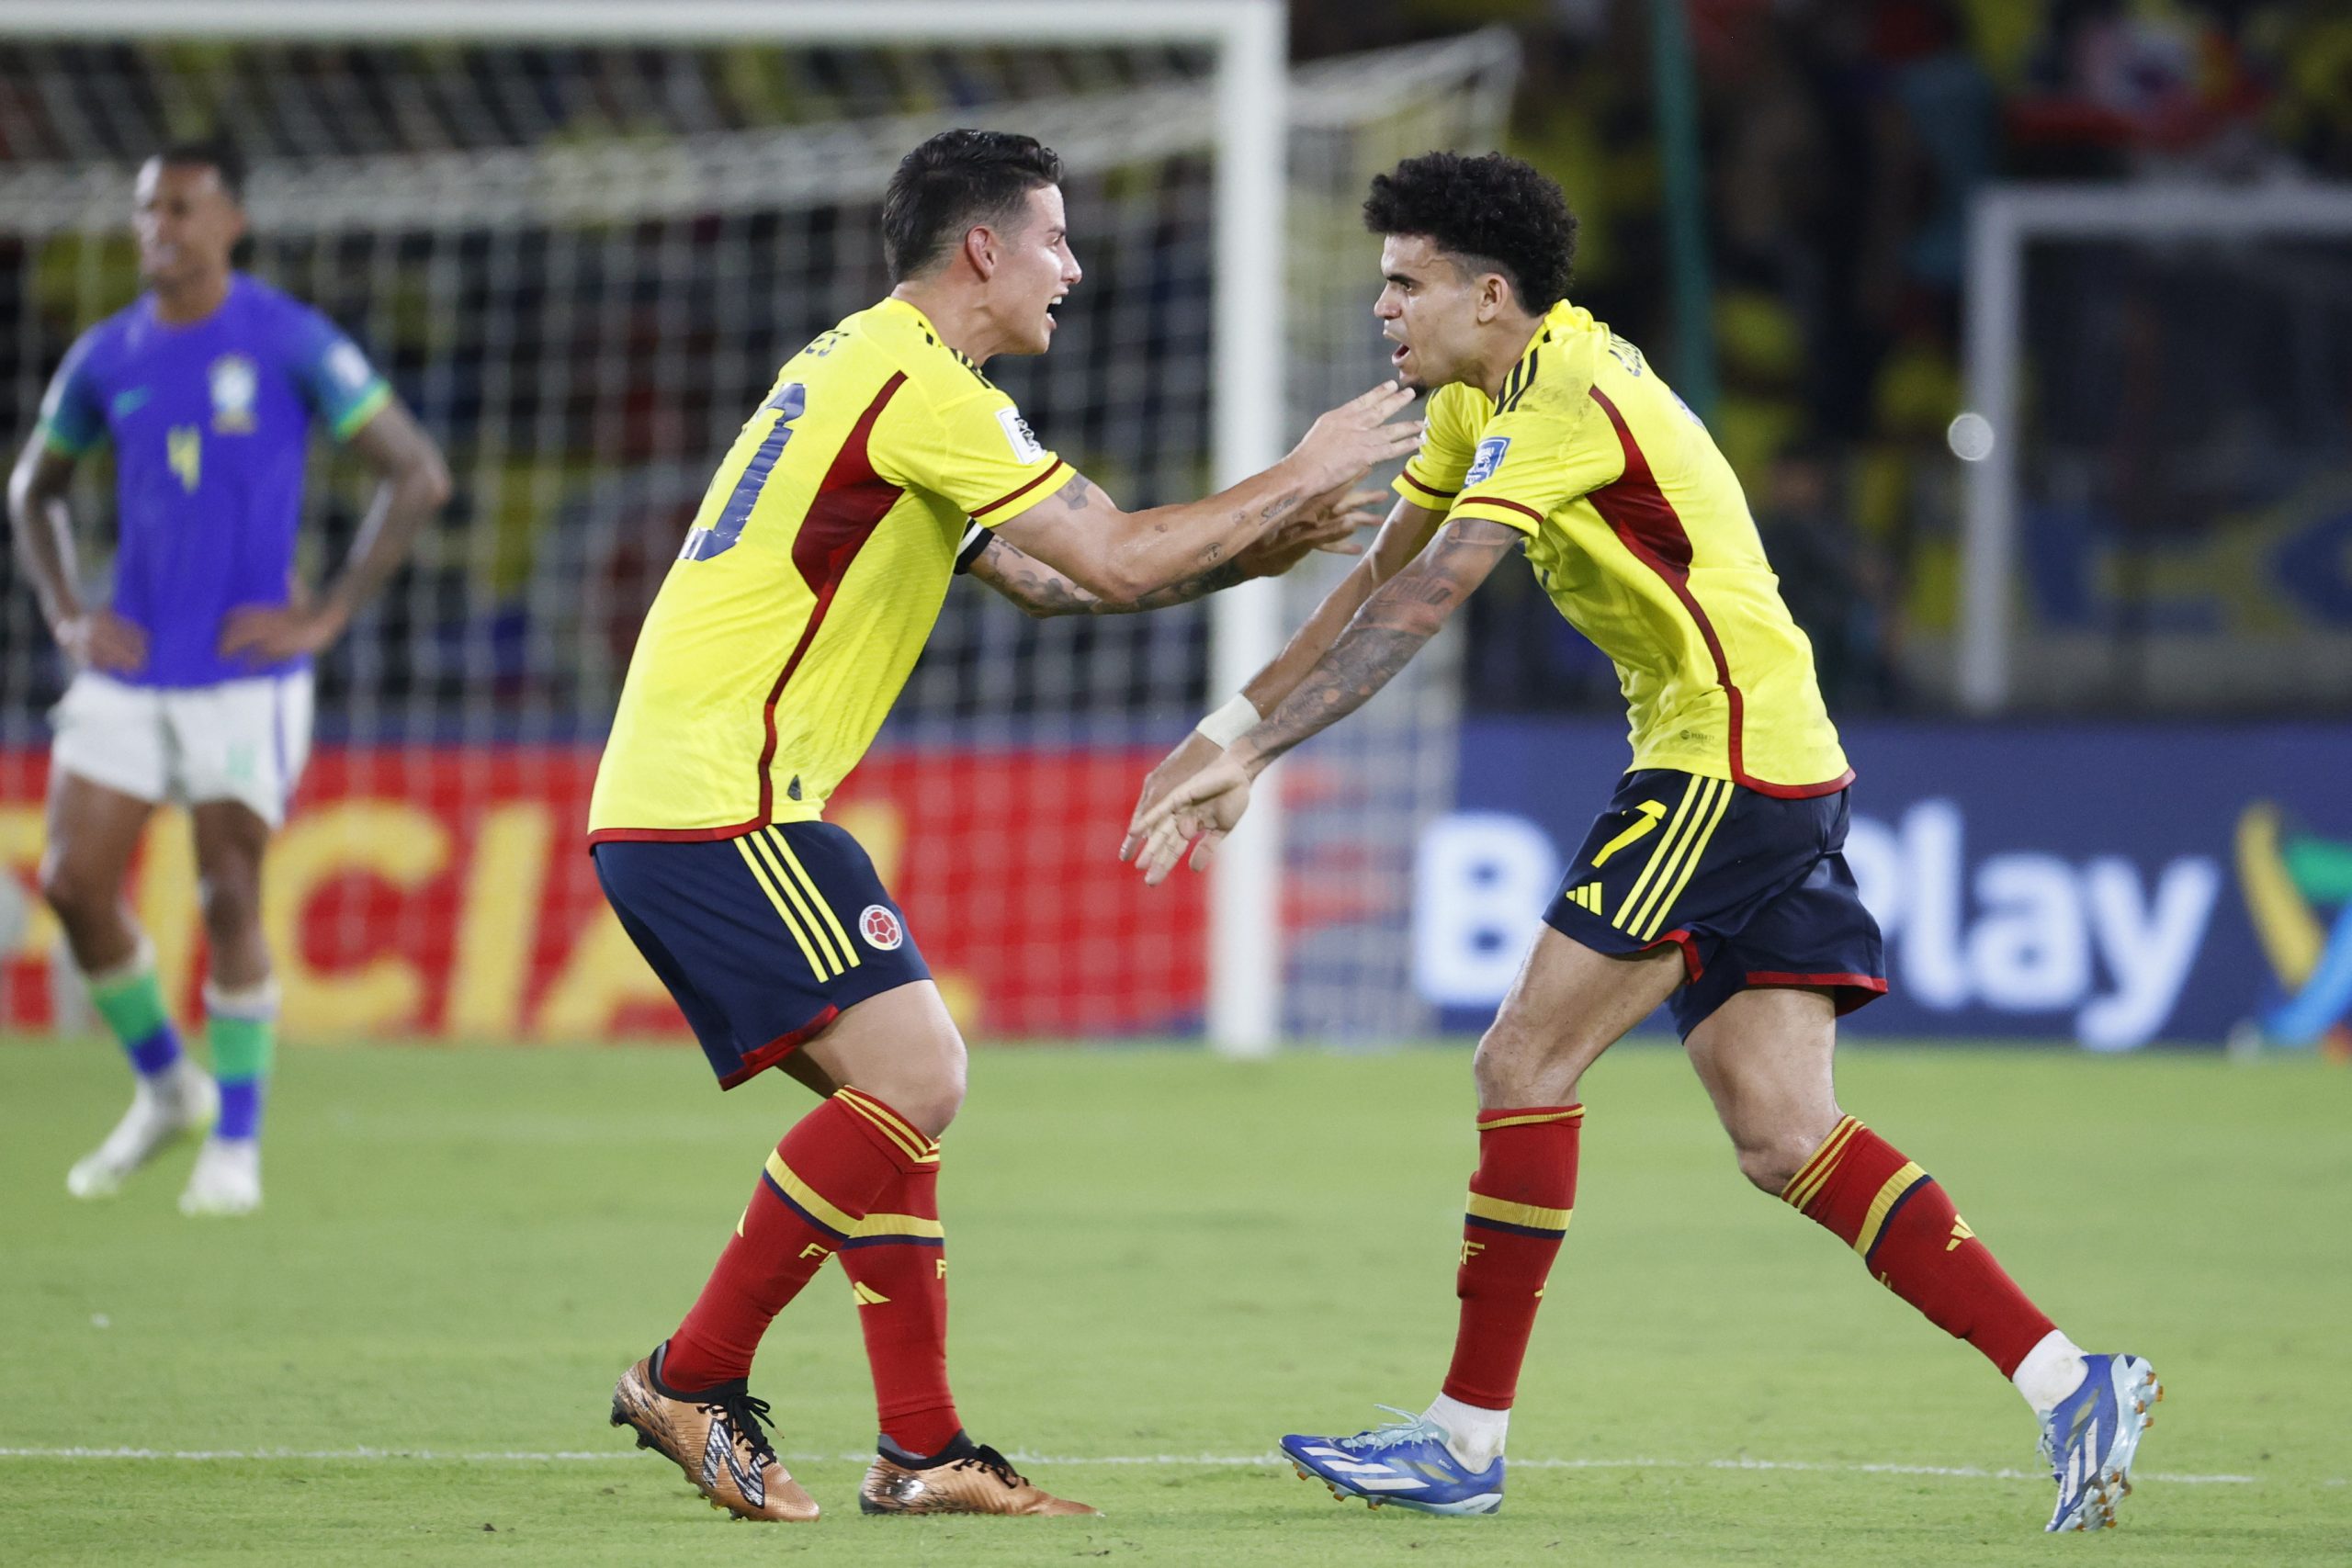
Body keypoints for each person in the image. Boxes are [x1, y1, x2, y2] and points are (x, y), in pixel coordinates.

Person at [1126, 151, 2157, 1534]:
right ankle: (2069, 1378)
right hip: (1774, 762)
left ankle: (1463, 1438)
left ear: (1490, 296)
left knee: (1521, 1058)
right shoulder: (1483, 397)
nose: (1385, 307)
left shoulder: (1566, 399)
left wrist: (1258, 753)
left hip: (1717, 768)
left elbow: (1429, 600)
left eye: (1405, 282)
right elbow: (1378, 571)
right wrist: (1226, 725)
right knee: (1786, 1133)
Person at [590, 129, 1415, 1524]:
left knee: (898, 1106)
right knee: (920, 1074)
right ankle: (692, 1372)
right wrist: (1295, 468)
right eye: (1054, 240)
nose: (1074, 270)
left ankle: (922, 1448)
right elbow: (1112, 546)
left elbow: (1056, 586)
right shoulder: (919, 384)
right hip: (717, 799)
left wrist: (1260, 550)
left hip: (714, 797)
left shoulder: (870, 369)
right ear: (983, 248)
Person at [8, 140, 449, 1217]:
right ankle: (168, 1088)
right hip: (132, 662)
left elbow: (417, 472)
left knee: (230, 889)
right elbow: (33, 491)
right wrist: (69, 611)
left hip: (246, 671)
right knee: (72, 882)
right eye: (148, 208)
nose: (161, 226)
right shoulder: (106, 355)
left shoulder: (288, 338)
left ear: (231, 223)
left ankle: (237, 1144)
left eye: (184, 207)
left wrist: (328, 610)